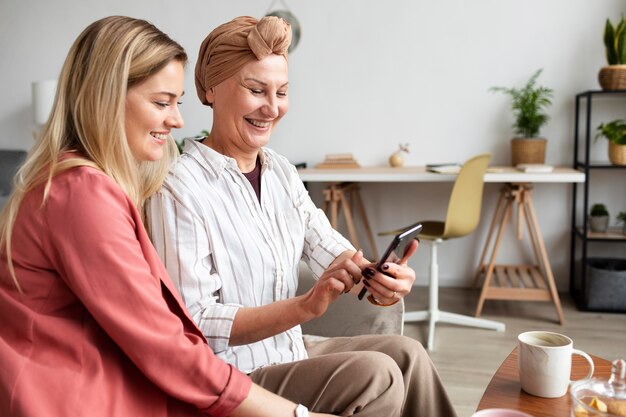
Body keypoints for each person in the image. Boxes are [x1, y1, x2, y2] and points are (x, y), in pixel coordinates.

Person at [0, 15, 338, 417]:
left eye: (177, 102)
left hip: (119, 387)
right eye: (162, 103)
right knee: (377, 375)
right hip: (76, 399)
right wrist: (298, 416)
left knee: (396, 363)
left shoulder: (91, 186)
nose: (178, 120)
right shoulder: (80, 195)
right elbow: (166, 344)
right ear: (105, 98)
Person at [146, 15, 458, 417]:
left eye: (282, 92)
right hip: (233, 376)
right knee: (377, 373)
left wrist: (379, 278)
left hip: (291, 350)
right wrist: (305, 307)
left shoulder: (279, 171)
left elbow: (326, 247)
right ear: (210, 89)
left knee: (407, 354)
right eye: (256, 90)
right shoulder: (179, 186)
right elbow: (196, 321)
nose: (272, 108)